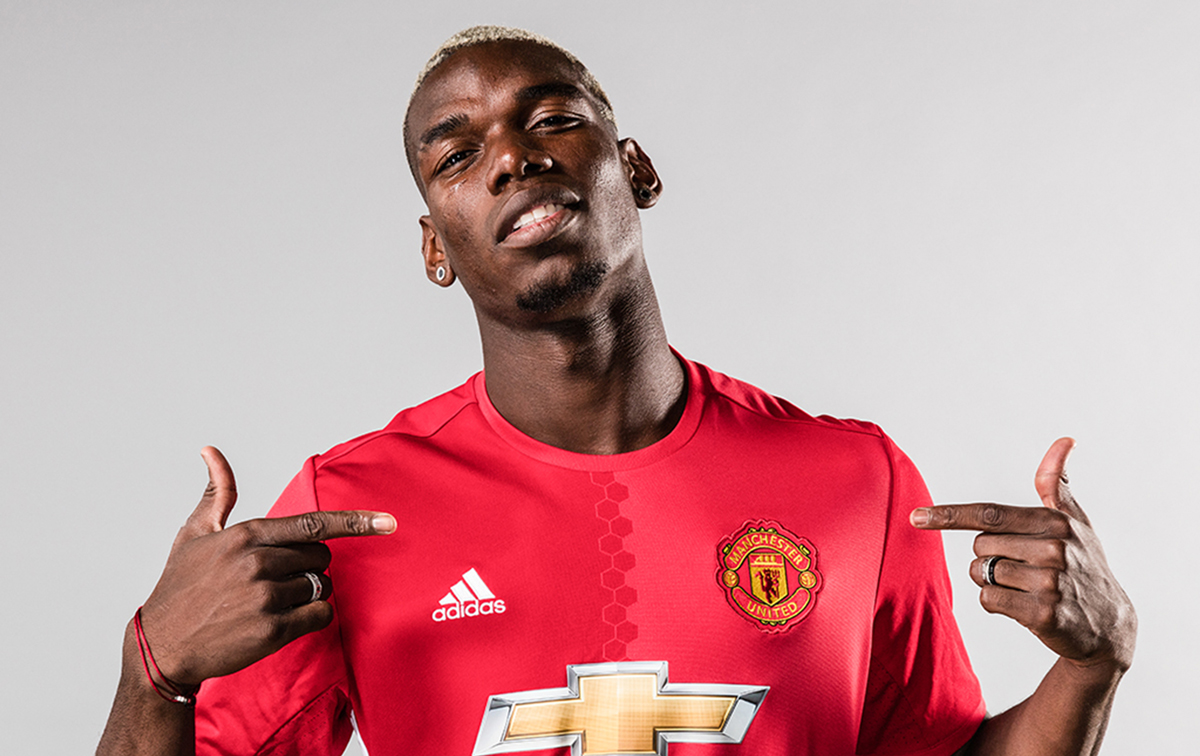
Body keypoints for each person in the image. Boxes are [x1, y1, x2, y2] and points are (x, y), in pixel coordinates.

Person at [97, 26, 1136, 756]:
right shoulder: (351, 505)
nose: (511, 157)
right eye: (458, 154)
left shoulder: (854, 479)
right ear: (435, 247)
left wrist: (1092, 666)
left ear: (634, 167)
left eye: (551, 117)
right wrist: (158, 665)